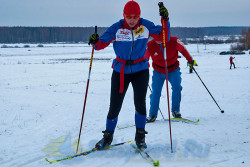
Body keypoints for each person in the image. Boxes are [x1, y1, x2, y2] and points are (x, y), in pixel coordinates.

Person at [88, 1, 170, 150]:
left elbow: (165, 37)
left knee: (140, 103)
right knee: (114, 106)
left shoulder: (145, 25)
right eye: (129, 16)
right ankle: (108, 137)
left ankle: (140, 138)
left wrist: (165, 20)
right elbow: (100, 44)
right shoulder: (117, 27)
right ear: (124, 15)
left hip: (140, 70)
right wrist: (94, 41)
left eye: (135, 16)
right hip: (121, 71)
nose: (132, 20)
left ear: (139, 15)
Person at [146, 37, 196, 122]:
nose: (158, 39)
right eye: (156, 37)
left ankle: (175, 111)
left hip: (173, 70)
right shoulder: (150, 45)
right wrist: (143, 67)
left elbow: (183, 50)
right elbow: (144, 58)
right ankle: (152, 115)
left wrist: (190, 60)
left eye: (160, 36)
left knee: (177, 88)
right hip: (158, 72)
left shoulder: (174, 40)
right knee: (155, 92)